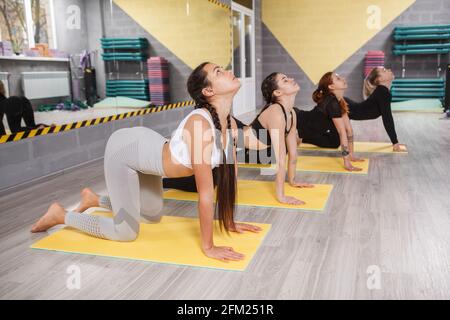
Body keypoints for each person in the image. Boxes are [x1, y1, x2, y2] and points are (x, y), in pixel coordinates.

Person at [31, 62, 262, 263]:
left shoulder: (228, 123)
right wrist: (209, 247)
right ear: (208, 90)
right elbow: (205, 193)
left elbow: (229, 176)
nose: (230, 71)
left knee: (152, 215)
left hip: (148, 150)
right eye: (219, 71)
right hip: (125, 152)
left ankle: (94, 199)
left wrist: (229, 222)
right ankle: (61, 215)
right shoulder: (200, 125)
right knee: (125, 232)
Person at [164, 72, 314, 205]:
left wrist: (293, 181)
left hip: (247, 142)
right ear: (277, 92)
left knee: (211, 178)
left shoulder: (292, 114)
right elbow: (280, 159)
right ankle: (165, 178)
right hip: (239, 141)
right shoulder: (276, 112)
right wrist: (281, 196)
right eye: (285, 79)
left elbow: (292, 153)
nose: (291, 79)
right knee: (204, 179)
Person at [296, 72, 364, 172]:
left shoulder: (340, 101)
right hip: (297, 120)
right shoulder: (332, 103)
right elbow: (342, 132)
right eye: (338, 78)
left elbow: (348, 130)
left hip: (304, 127)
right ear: (331, 86)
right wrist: (346, 162)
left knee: (334, 143)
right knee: (268, 146)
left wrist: (351, 155)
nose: (342, 78)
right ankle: (264, 162)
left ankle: (299, 139)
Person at [345, 67, 407, 152]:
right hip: (347, 108)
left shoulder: (382, 91)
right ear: (379, 79)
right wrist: (395, 143)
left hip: (349, 108)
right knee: (334, 143)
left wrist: (395, 142)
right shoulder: (383, 92)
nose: (389, 69)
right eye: (384, 70)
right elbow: (387, 118)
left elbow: (387, 117)